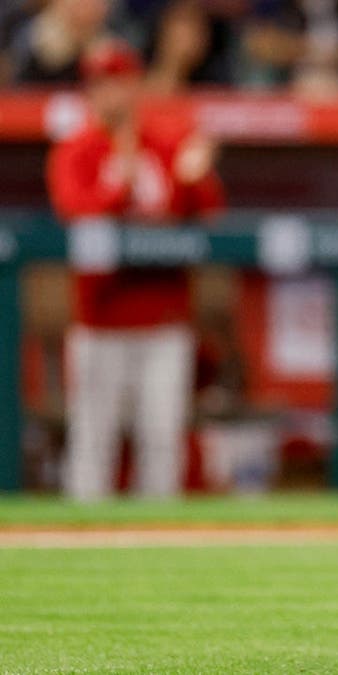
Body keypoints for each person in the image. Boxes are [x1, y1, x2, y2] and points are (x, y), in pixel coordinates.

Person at [47, 39, 224, 501]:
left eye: (120, 82)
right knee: (92, 438)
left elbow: (206, 214)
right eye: (101, 85)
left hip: (163, 318)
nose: (112, 94)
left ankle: (160, 551)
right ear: (89, 92)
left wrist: (196, 180)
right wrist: (117, 190)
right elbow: (74, 211)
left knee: (162, 440)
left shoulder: (166, 143)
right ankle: (81, 551)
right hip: (99, 318)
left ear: (135, 86)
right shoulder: (76, 149)